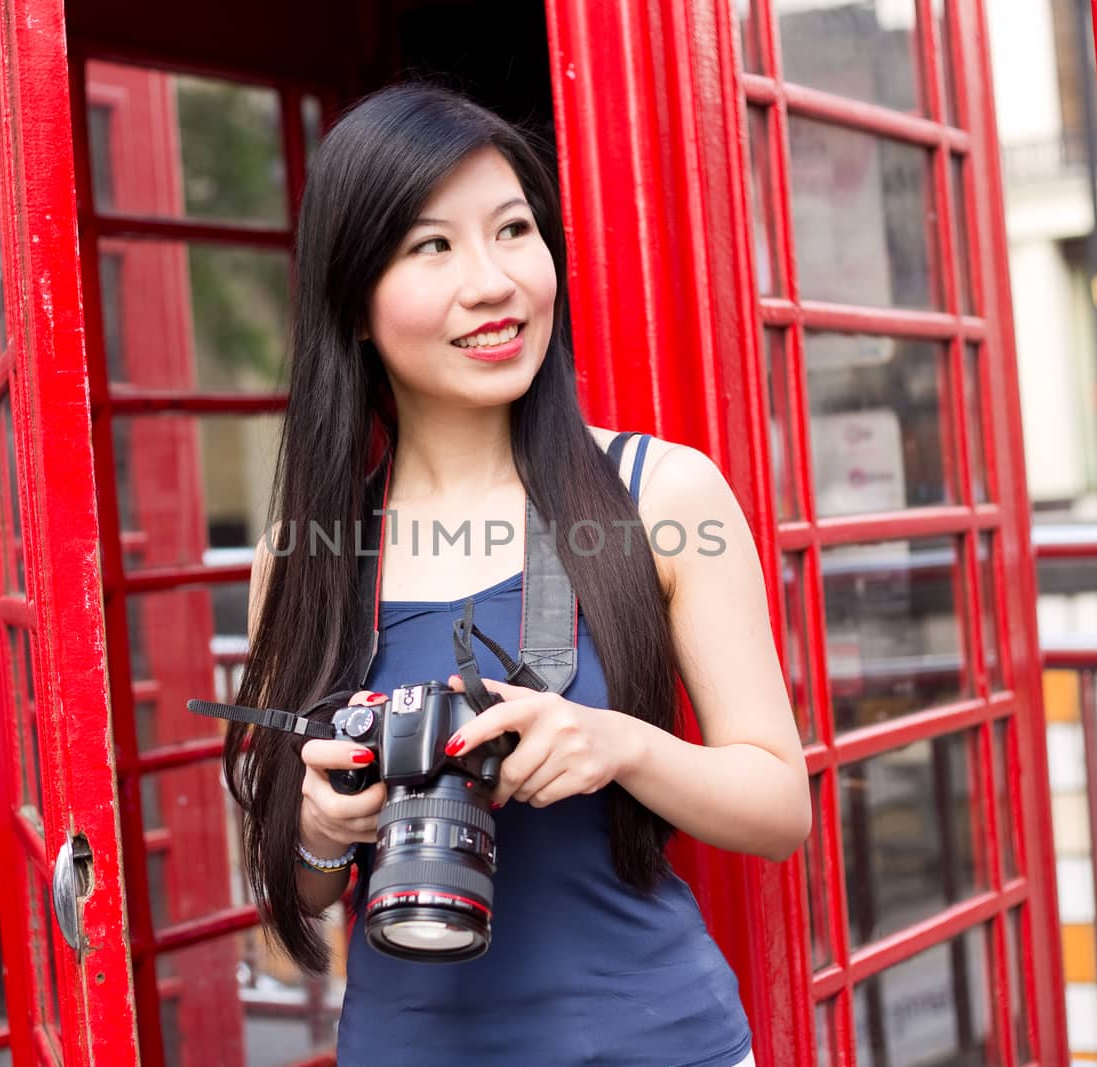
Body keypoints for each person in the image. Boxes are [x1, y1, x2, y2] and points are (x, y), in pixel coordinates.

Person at [224, 81, 809, 1066]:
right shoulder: (306, 549)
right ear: (354, 303)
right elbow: (300, 889)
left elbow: (779, 809)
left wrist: (615, 743)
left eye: (513, 230)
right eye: (431, 246)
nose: (494, 282)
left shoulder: (661, 493)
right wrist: (326, 821)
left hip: (663, 1041)